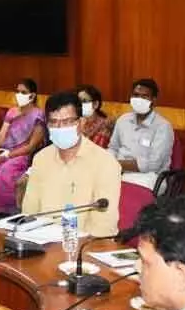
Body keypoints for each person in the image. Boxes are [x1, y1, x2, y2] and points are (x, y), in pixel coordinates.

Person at [21, 91, 121, 237]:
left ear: (81, 123)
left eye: (67, 122)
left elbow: (103, 228)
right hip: (41, 242)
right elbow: (29, 211)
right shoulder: (41, 158)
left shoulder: (106, 163)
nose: (60, 128)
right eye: (54, 122)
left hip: (82, 247)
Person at [0, 78, 46, 212]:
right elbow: (0, 137)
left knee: (5, 170)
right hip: (3, 151)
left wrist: (7, 156)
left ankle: (11, 209)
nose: (19, 95)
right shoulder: (12, 112)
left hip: (21, 154)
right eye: (17, 91)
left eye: (23, 92)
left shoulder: (38, 115)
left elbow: (31, 146)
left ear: (32, 95)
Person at [109, 79, 174, 191]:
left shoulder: (163, 126)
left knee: (122, 194)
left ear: (153, 100)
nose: (139, 99)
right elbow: (113, 147)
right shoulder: (123, 120)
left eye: (144, 97)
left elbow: (153, 164)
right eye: (136, 95)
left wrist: (118, 164)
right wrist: (109, 161)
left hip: (148, 177)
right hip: (118, 171)